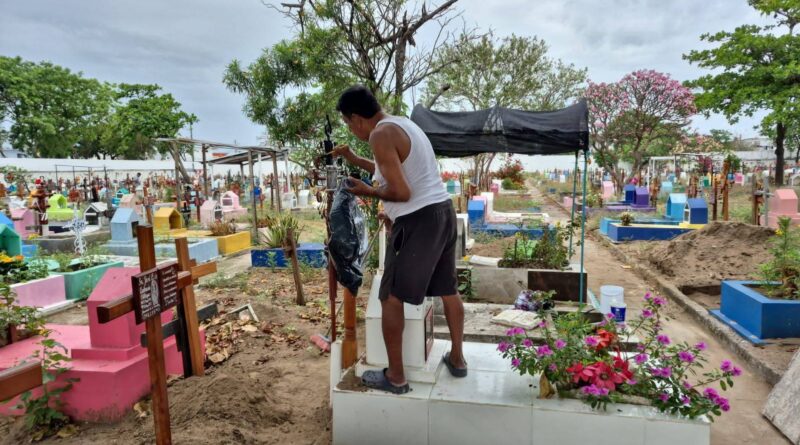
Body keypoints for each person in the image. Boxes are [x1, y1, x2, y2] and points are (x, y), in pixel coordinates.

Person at [332, 85, 467, 394]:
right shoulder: (404, 124)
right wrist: (354, 159)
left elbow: (400, 191)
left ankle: (396, 377)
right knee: (448, 287)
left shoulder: (380, 135)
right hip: (442, 214)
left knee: (390, 295)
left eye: (349, 125)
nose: (352, 132)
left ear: (356, 118)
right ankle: (457, 358)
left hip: (418, 220)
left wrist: (367, 191)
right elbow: (392, 171)